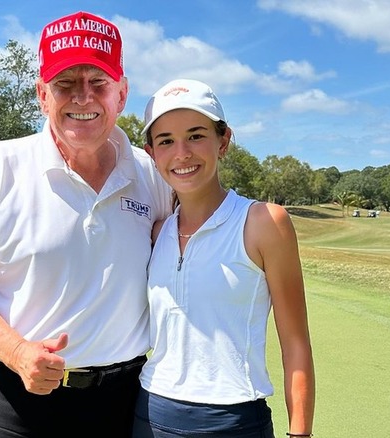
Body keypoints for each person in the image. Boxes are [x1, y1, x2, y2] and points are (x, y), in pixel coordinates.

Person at [0, 11, 172, 437]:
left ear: (122, 93)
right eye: (65, 84)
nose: (83, 98)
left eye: (98, 83)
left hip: (125, 400)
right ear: (42, 94)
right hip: (15, 401)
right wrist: (17, 351)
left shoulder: (151, 172)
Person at [133, 79, 315, 437]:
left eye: (196, 135)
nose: (182, 152)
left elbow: (295, 342)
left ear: (224, 141)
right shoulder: (157, 233)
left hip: (234, 421)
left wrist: (301, 434)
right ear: (152, 153)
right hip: (150, 416)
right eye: (166, 140)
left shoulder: (265, 222)